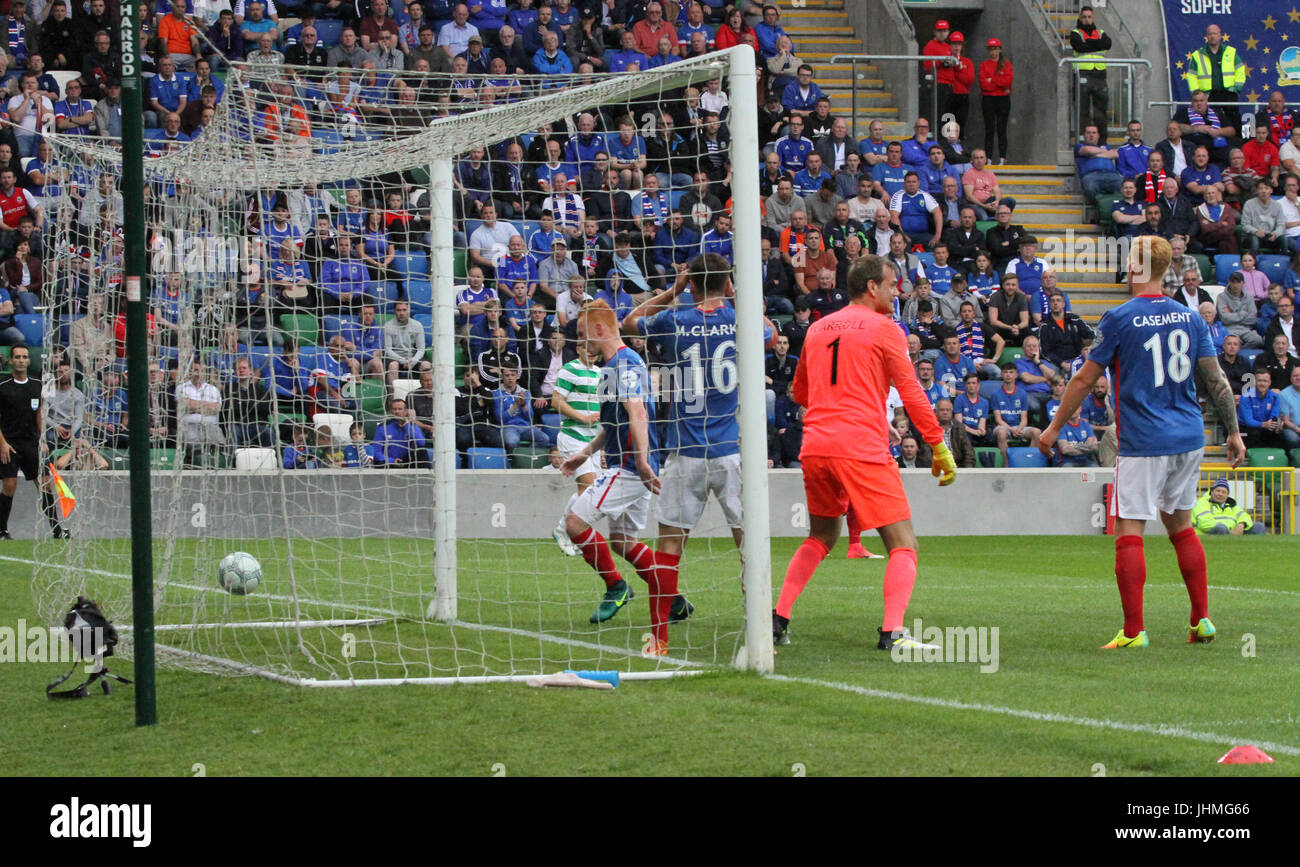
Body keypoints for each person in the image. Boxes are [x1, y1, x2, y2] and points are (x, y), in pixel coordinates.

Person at [1040, 235, 1245, 648]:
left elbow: (1084, 378)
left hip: (1144, 439)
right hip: (1189, 436)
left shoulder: (1119, 317)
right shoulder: (1190, 317)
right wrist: (1235, 431)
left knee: (1129, 529)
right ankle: (1201, 619)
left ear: (1136, 267)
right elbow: (1216, 380)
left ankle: (1134, 631)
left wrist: (1053, 427)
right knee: (1182, 526)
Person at [771, 255, 956, 651]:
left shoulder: (818, 328)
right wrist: (938, 445)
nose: (897, 290)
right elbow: (910, 391)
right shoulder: (885, 329)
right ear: (872, 287)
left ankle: (778, 620)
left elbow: (800, 393)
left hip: (817, 445)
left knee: (820, 536)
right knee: (904, 542)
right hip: (860, 445)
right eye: (892, 284)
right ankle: (893, 632)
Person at [559, 300, 663, 640]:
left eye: (581, 333)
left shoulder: (625, 362)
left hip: (631, 466)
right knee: (622, 541)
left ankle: (616, 586)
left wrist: (644, 462)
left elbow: (638, 412)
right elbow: (613, 423)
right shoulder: (608, 369)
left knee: (574, 522)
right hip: (630, 462)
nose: (580, 341)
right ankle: (672, 597)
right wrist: (583, 454)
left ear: (598, 330)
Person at [0, 346, 66, 539]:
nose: (21, 360)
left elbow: (39, 414)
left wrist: (42, 439)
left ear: (29, 361)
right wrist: (2, 444)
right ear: (11, 361)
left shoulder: (37, 385)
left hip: (31, 443)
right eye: (18, 357)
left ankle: (57, 530)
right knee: (10, 486)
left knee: (45, 484)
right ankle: (2, 530)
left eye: (25, 357)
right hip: (9, 443)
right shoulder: (3, 386)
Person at [1069, 6, 1112, 134]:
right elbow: (1080, 47)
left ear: (1093, 18)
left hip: (1099, 74)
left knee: (1101, 110)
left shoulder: (1100, 32)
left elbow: (1107, 44)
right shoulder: (1076, 33)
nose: (1087, 20)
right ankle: (1082, 138)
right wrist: (1096, 44)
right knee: (1082, 110)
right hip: (1083, 74)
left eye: (1089, 17)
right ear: (1080, 18)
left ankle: (1102, 141)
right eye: (1084, 17)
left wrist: (1089, 44)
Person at [978, 38, 1013, 164]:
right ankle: (989, 157)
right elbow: (983, 85)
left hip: (1003, 99)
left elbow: (1007, 82)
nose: (993, 52)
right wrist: (998, 81)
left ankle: (1002, 157)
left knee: (1001, 128)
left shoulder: (1006, 64)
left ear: (1000, 49)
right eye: (991, 49)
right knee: (989, 129)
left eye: (995, 49)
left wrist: (991, 80)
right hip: (988, 99)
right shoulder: (984, 65)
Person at [1192, 478, 1265, 535]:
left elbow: (1245, 516)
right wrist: (1230, 531)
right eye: (1218, 491)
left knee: (1259, 526)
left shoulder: (1231, 505)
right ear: (1211, 492)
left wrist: (1242, 524)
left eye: (1224, 492)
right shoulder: (1201, 503)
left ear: (1227, 495)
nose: (1220, 494)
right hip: (1208, 534)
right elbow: (1205, 524)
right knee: (1221, 529)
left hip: (1233, 533)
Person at [1238, 368, 1283, 450]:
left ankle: (1274, 458)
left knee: (1278, 433)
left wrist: (1272, 424)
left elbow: (1273, 417)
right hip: (1246, 427)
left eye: (1265, 381)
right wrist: (1264, 424)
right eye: (1260, 381)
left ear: (1269, 383)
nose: (1262, 384)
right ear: (1255, 382)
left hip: (1265, 426)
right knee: (1255, 433)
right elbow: (1248, 421)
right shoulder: (1246, 396)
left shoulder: (1275, 397)